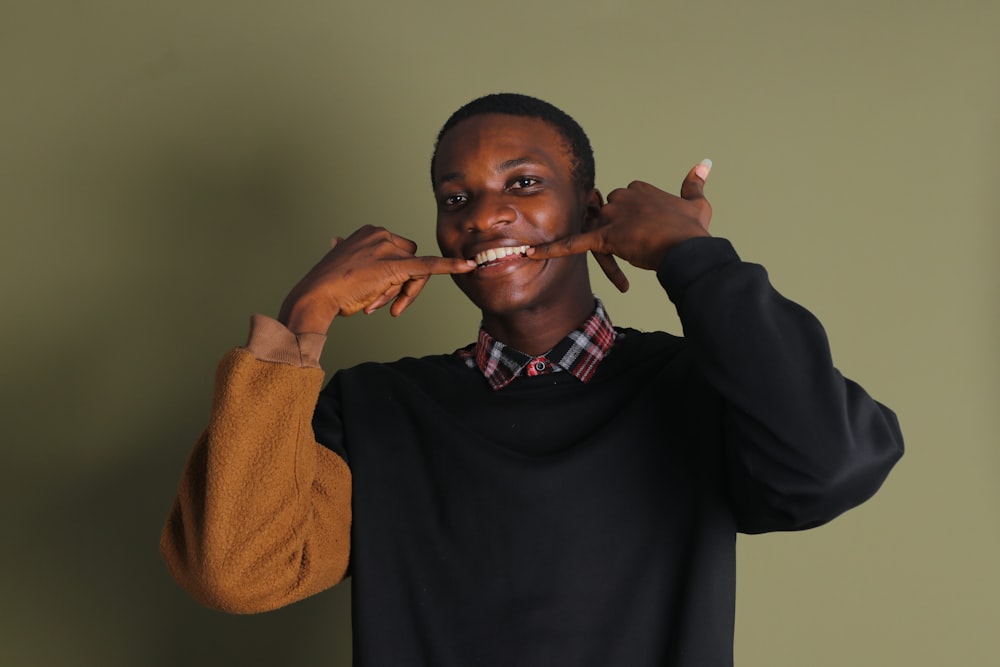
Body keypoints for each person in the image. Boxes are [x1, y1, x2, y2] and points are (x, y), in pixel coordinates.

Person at [161, 93, 903, 666]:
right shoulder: (374, 409)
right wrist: (305, 319)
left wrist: (691, 257)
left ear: (589, 208)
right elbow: (235, 571)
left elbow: (830, 464)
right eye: (457, 198)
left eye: (522, 181)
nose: (486, 215)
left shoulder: (700, 388)